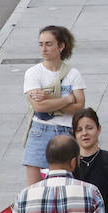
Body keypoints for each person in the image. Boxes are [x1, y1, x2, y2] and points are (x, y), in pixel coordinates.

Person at [22, 25, 86, 186]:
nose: (43, 48)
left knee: (65, 184)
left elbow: (79, 107)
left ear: (61, 46)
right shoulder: (33, 73)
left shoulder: (73, 74)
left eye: (48, 44)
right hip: (40, 130)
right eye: (41, 44)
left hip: (66, 131)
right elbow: (39, 107)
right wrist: (67, 100)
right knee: (34, 188)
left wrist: (49, 99)